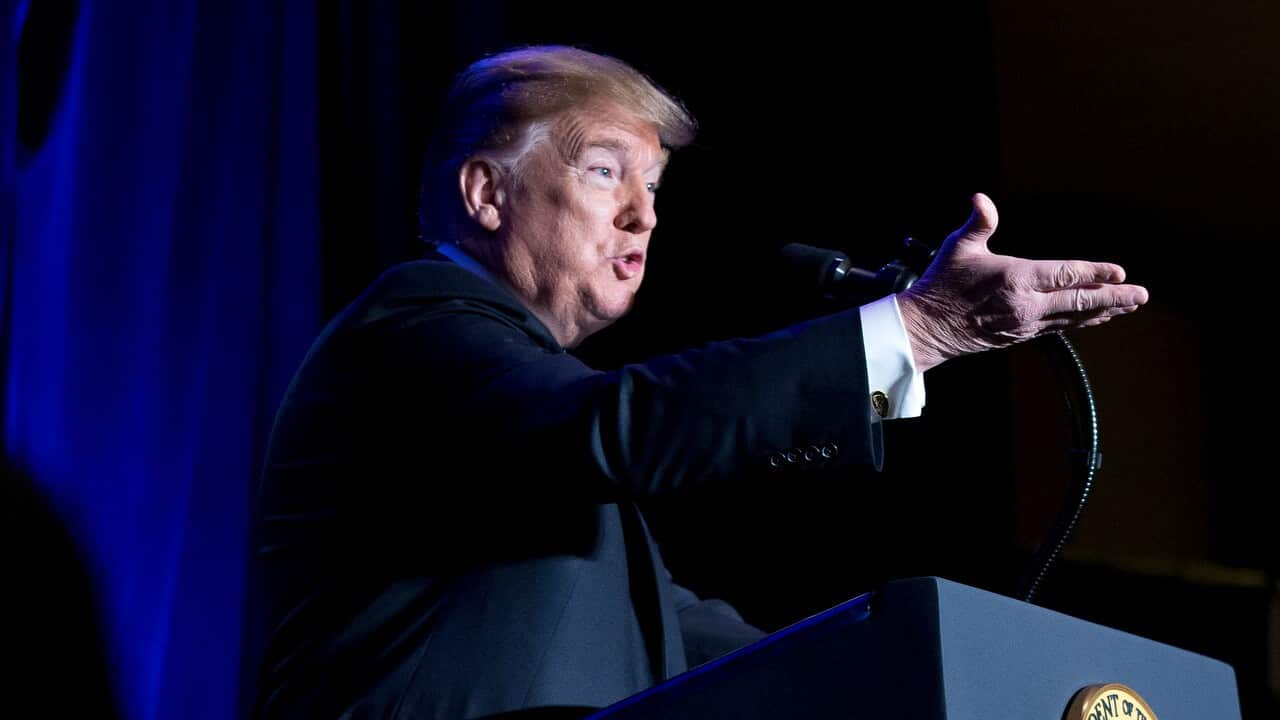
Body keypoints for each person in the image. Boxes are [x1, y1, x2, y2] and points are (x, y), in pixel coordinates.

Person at [252, 46, 1148, 719]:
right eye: (605, 170)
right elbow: (619, 428)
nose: (644, 212)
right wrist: (914, 331)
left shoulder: (530, 434)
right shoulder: (413, 322)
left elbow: (680, 642)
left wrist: (910, 674)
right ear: (487, 194)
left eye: (653, 184)